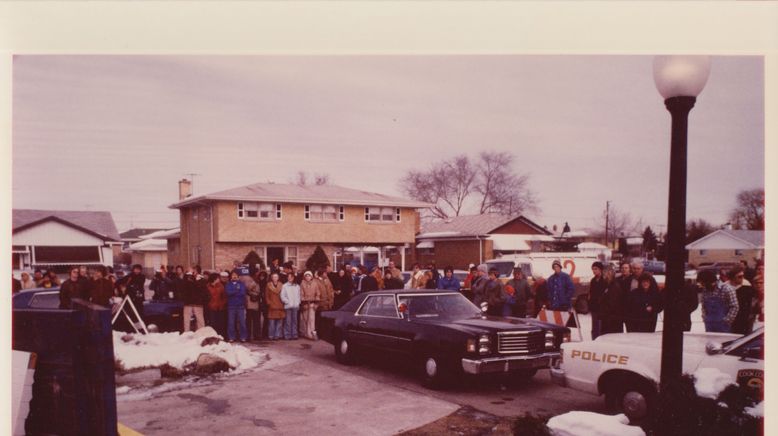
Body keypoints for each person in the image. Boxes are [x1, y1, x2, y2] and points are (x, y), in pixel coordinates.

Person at [725, 265, 757, 335]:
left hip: (744, 319)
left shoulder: (747, 286)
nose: (742, 278)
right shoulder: (725, 287)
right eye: (739, 277)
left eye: (743, 276)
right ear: (732, 277)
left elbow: (751, 303)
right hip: (729, 318)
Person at [599, 267, 625, 335]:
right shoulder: (608, 285)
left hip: (613, 319)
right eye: (604, 274)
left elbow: (612, 303)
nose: (604, 276)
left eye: (606, 274)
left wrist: (604, 311)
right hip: (609, 318)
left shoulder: (614, 286)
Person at [225, 270, 248, 342]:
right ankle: (231, 337)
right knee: (231, 322)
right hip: (231, 306)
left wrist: (234, 292)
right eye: (233, 275)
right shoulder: (228, 284)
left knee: (242, 322)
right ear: (231, 276)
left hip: (240, 306)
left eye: (236, 275)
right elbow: (228, 293)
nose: (234, 276)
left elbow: (242, 293)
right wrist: (236, 290)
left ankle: (243, 337)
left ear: (238, 276)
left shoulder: (242, 284)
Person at [587, 262, 607, 339]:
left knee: (601, 326)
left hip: (602, 307)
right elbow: (591, 293)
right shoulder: (593, 280)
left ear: (600, 269)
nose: (594, 271)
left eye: (596, 269)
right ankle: (594, 339)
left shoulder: (605, 280)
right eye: (593, 269)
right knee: (594, 326)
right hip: (594, 307)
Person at [299, 271, 321, 340]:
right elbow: (301, 294)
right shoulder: (302, 283)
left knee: (311, 319)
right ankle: (304, 333)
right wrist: (303, 302)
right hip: (305, 304)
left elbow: (318, 293)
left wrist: (316, 303)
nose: (307, 277)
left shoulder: (315, 283)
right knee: (304, 319)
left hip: (312, 303)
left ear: (311, 277)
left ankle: (311, 333)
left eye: (309, 276)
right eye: (306, 276)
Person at [280, 272, 301, 340]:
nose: (290, 278)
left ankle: (294, 334)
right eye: (288, 277)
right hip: (288, 306)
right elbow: (282, 296)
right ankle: (287, 335)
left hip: (295, 306)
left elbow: (299, 296)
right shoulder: (284, 286)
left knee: (294, 321)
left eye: (291, 277)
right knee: (288, 321)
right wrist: (287, 302)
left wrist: (298, 302)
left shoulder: (297, 286)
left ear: (293, 278)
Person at [206, 272, 228, 338]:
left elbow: (224, 296)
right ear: (214, 279)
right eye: (218, 278)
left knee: (221, 323)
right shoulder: (208, 286)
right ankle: (213, 337)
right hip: (211, 307)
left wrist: (222, 303)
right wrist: (209, 304)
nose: (219, 279)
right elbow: (206, 297)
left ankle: (221, 337)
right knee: (213, 323)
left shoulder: (221, 286)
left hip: (220, 307)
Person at [243, 269, 262, 341]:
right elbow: (247, 289)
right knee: (249, 320)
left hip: (256, 302)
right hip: (250, 302)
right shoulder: (250, 280)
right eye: (257, 272)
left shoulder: (257, 280)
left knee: (256, 320)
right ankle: (248, 336)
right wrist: (254, 284)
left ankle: (256, 335)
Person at [265, 273, 286, 340]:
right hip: (272, 305)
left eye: (276, 277)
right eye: (273, 277)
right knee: (272, 322)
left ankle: (277, 335)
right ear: (271, 278)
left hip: (280, 305)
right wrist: (269, 303)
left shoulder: (281, 285)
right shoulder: (268, 285)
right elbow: (266, 295)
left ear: (278, 278)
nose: (275, 278)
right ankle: (271, 335)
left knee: (279, 322)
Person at [315, 269, 335, 334]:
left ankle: (326, 333)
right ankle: (319, 333)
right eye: (325, 273)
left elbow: (331, 289)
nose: (326, 274)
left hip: (328, 303)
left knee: (327, 320)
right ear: (321, 274)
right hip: (321, 304)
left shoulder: (327, 281)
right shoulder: (316, 281)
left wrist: (332, 298)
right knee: (320, 320)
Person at [256, 270, 270, 339]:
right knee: (257, 319)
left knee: (266, 319)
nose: (262, 277)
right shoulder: (257, 283)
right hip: (258, 302)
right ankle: (258, 334)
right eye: (261, 276)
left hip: (265, 302)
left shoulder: (267, 284)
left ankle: (265, 333)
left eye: (263, 276)